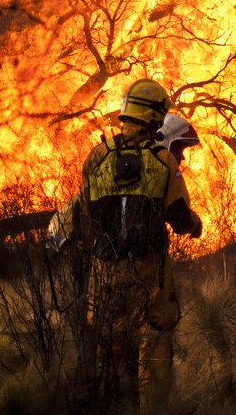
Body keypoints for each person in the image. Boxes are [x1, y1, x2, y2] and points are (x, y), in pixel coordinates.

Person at [76, 79, 203, 413]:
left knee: (109, 356)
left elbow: (84, 217)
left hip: (104, 274)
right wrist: (195, 225)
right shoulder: (162, 160)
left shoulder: (96, 157)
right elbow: (178, 216)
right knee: (154, 356)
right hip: (150, 278)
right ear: (155, 117)